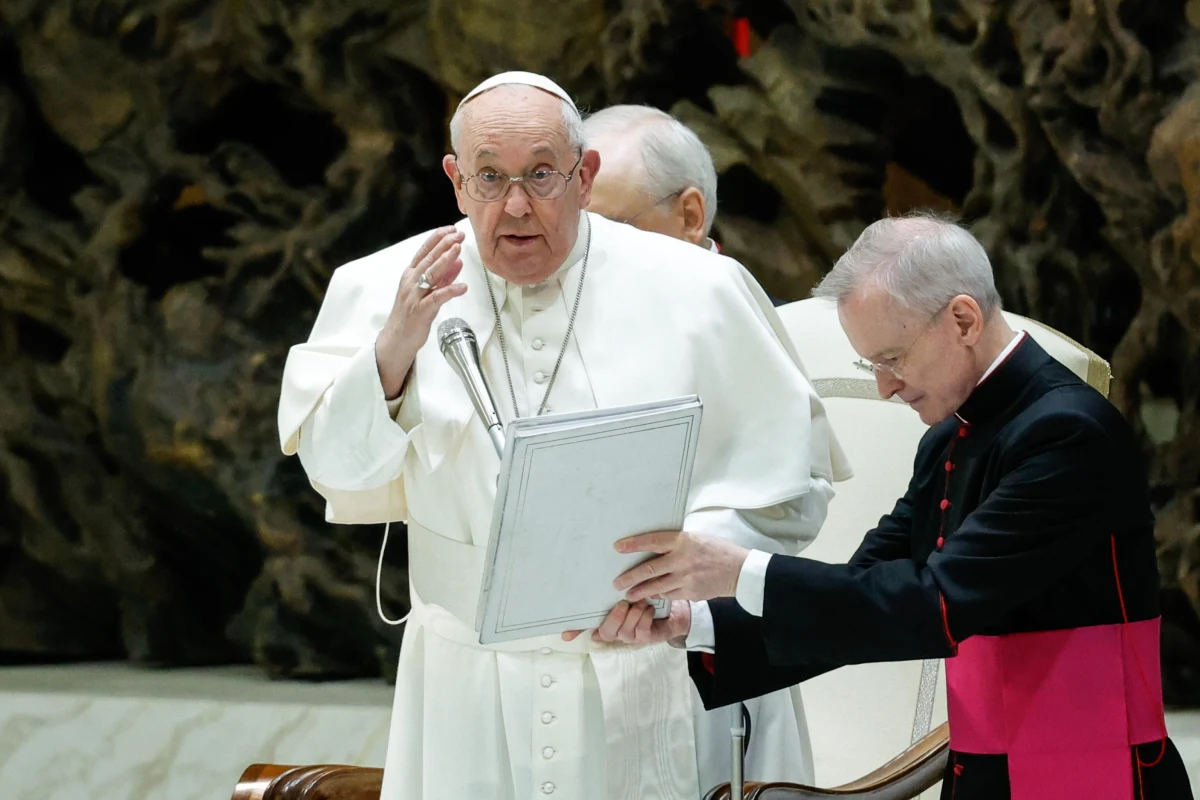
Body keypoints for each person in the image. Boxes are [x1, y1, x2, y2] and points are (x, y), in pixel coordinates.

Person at [277, 70, 851, 800]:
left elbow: (792, 485)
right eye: (490, 177)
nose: (515, 205)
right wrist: (391, 355)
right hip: (467, 687)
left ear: (585, 175)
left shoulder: (698, 290)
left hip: (648, 664)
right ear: (456, 181)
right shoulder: (386, 288)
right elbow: (338, 473)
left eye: (541, 175)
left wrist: (678, 580)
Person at [589, 212, 1194, 799]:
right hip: (986, 769)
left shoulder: (1068, 432)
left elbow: (937, 603)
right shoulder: (947, 440)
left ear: (962, 319)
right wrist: (691, 623)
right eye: (872, 364)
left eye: (892, 359)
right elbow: (863, 593)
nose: (884, 386)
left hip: (1094, 764)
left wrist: (738, 569)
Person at [581, 101, 817, 788]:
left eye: (615, 227)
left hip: (698, 647)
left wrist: (671, 566)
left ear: (689, 214)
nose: (592, 253)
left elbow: (790, 497)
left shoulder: (725, 306)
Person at [583, 104, 787, 307]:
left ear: (690, 218)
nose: (578, 257)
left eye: (608, 231)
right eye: (574, 230)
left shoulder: (784, 333)